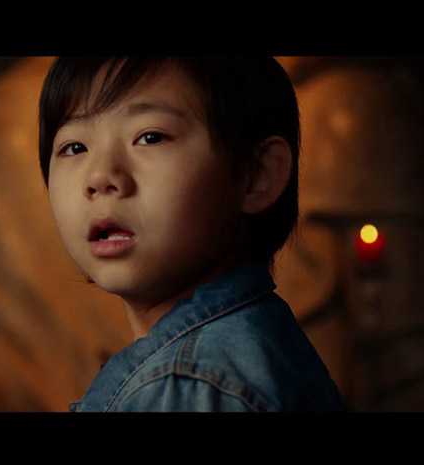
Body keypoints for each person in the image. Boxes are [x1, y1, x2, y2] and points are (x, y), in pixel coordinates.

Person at [37, 57, 347, 412]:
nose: (101, 177)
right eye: (74, 147)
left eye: (150, 138)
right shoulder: (255, 347)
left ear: (257, 174)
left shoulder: (189, 386)